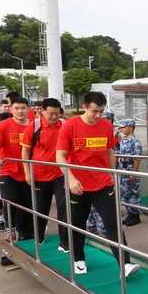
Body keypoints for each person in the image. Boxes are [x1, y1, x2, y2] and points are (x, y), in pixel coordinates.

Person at [56, 91, 139, 277]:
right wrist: (70, 178)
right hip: (78, 185)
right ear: (84, 107)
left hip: (103, 184)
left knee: (113, 224)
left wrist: (112, 173)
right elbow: (60, 155)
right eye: (94, 111)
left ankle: (125, 264)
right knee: (78, 224)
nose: (98, 115)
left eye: (101, 111)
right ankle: (78, 259)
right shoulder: (70, 126)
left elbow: (109, 151)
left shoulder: (106, 125)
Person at [21, 98, 69, 252]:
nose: (54, 117)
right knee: (41, 208)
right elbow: (25, 150)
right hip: (39, 175)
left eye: (57, 113)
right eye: (50, 114)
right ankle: (39, 236)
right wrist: (27, 173)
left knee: (64, 207)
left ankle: (65, 242)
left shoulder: (65, 125)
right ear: (42, 112)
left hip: (61, 174)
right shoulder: (34, 126)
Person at [0, 98, 33, 246]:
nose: (20, 111)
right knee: (11, 202)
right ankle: (10, 229)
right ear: (11, 110)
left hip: (29, 172)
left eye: (23, 108)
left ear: (28, 109)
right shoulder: (3, 126)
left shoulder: (34, 125)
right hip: (8, 171)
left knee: (28, 206)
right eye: (17, 108)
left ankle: (27, 234)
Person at [115, 119, 143, 226]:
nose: (121, 129)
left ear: (131, 128)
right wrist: (116, 133)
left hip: (131, 171)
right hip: (123, 172)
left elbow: (137, 158)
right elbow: (117, 150)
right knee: (125, 193)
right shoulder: (124, 140)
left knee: (133, 194)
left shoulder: (135, 141)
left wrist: (133, 173)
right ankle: (130, 214)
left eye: (124, 127)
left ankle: (135, 216)